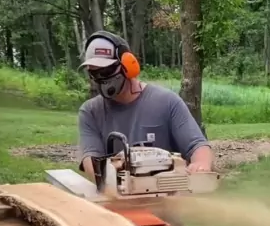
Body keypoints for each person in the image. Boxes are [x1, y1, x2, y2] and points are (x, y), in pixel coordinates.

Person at [78, 30, 213, 182]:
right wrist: (112, 177)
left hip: (168, 191)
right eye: (94, 73)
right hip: (117, 192)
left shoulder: (167, 102)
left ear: (127, 65)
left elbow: (197, 145)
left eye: (106, 71)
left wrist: (200, 165)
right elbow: (91, 160)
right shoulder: (90, 112)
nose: (100, 78)